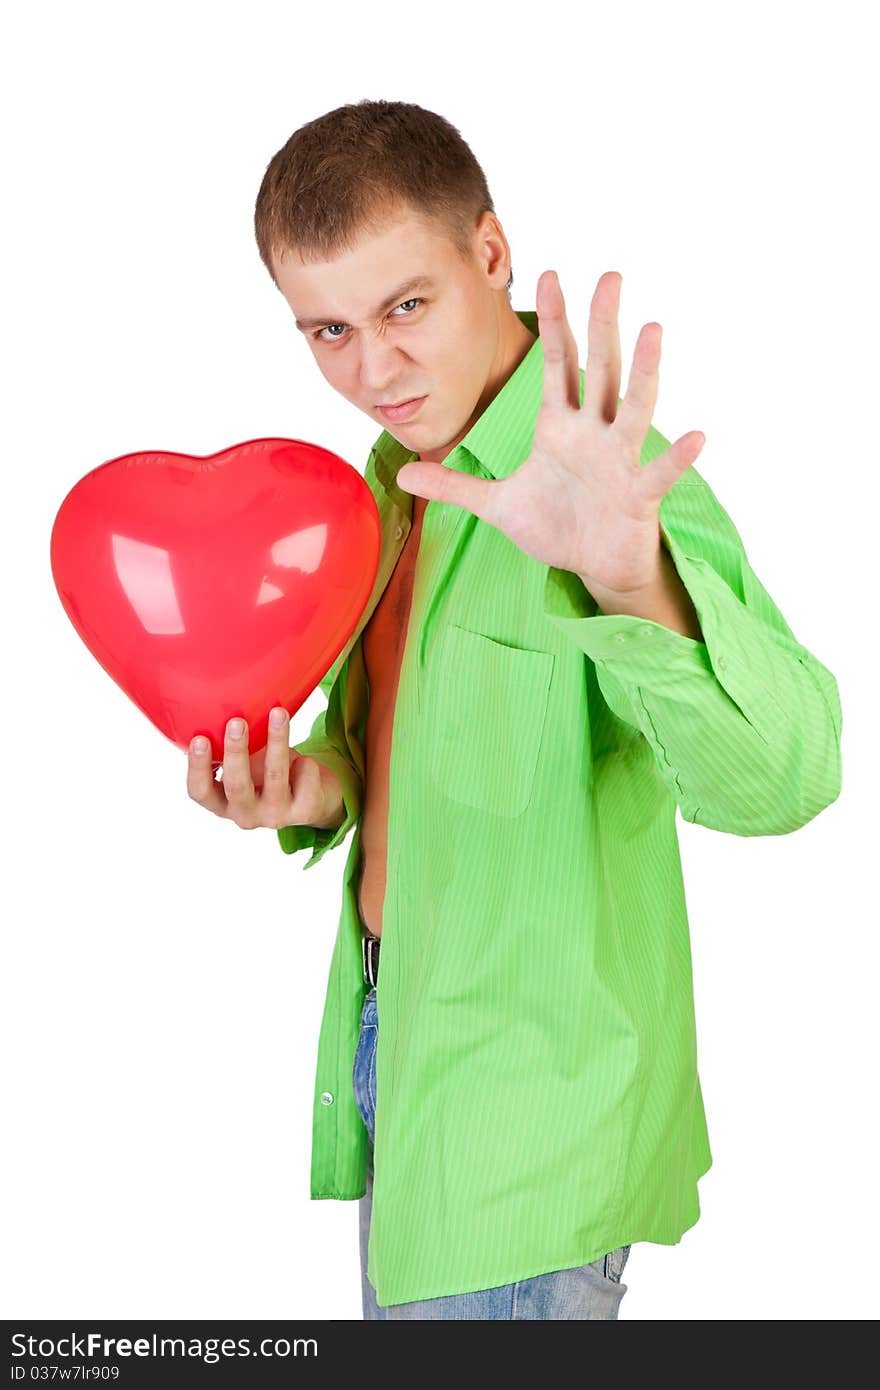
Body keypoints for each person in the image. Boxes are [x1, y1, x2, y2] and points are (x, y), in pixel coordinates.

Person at [187, 100, 843, 1319]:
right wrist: (315, 784)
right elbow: (407, 740)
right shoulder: (393, 487)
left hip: (529, 1130)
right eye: (327, 328)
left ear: (488, 253)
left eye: (405, 308)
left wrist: (629, 577)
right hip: (403, 1060)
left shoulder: (599, 479)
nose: (371, 371)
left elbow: (785, 778)